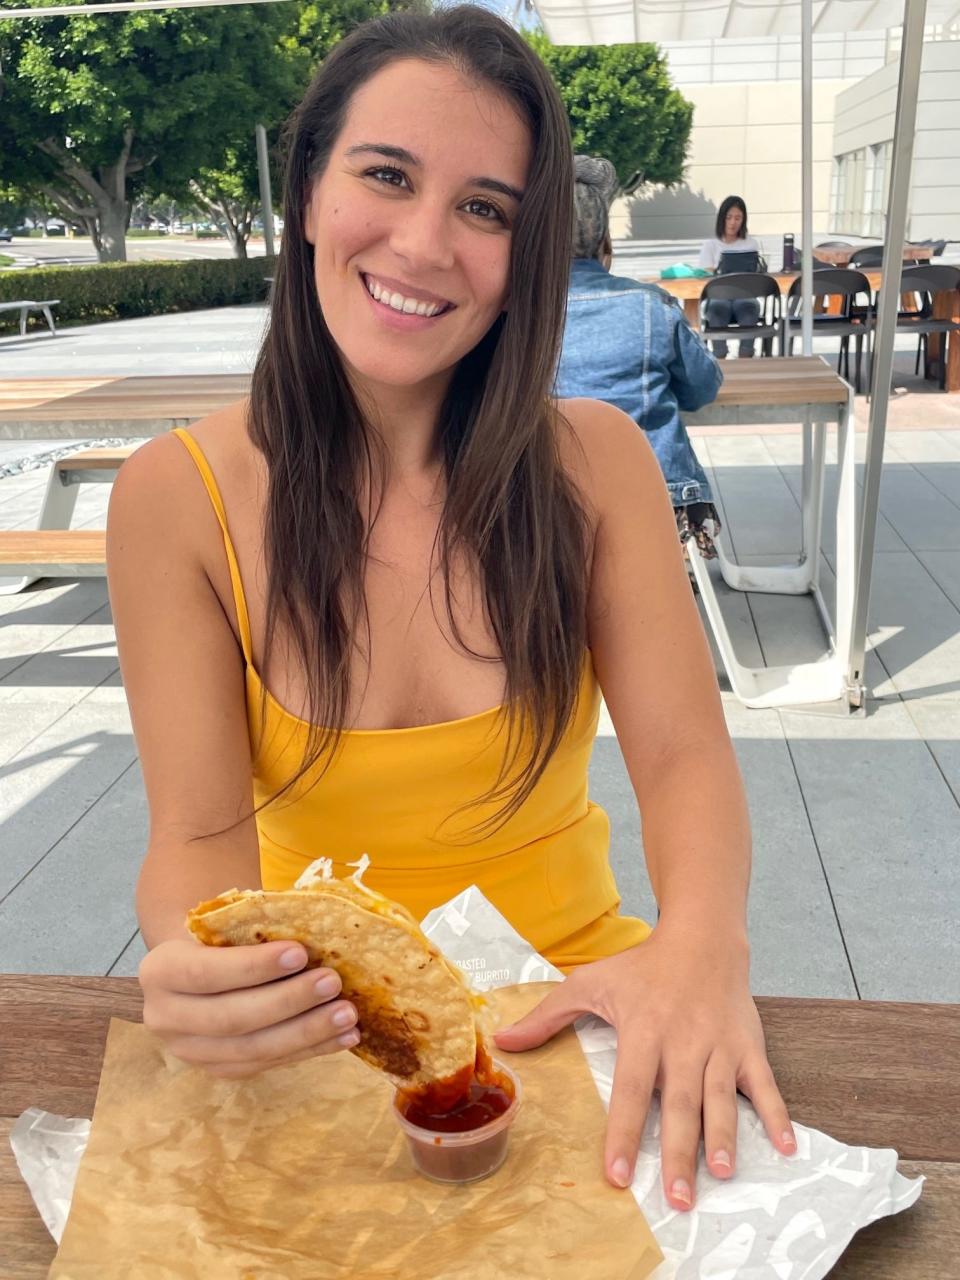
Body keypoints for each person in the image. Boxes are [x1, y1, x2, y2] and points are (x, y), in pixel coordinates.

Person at [107, 5, 794, 1214]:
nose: (425, 244)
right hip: (319, 1030)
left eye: (485, 208)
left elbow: (685, 757)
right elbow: (199, 840)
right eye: (387, 175)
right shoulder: (176, 498)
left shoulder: (598, 462)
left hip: (587, 1006)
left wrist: (702, 947)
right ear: (311, 191)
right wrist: (198, 965)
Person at [555, 155, 723, 559]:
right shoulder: (652, 307)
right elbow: (702, 389)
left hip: (552, 504)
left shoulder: (520, 316)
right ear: (606, 246)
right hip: (658, 499)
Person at [699, 195, 763, 358]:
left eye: (738, 218)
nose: (733, 222)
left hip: (744, 296)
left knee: (749, 308)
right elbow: (705, 277)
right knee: (717, 309)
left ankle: (745, 357)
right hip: (719, 298)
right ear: (722, 219)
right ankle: (720, 358)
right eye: (729, 218)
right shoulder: (710, 245)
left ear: (743, 220)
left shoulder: (751, 244)